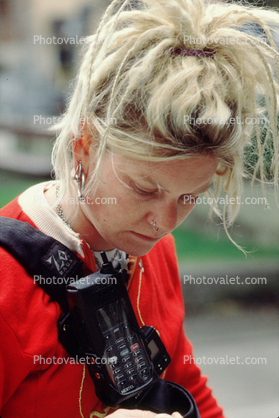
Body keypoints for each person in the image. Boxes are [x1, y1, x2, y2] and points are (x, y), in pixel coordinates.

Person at [0, 0, 278, 417]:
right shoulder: (8, 287)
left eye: (191, 197)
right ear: (85, 145)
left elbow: (185, 384)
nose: (164, 224)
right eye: (145, 189)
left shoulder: (154, 252)